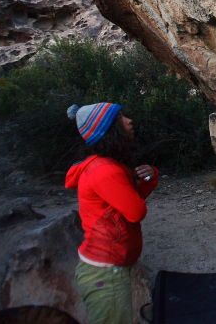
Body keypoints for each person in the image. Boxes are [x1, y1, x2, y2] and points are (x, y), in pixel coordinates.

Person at [64, 102, 158, 324]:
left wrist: (150, 177)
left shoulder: (106, 165)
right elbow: (135, 211)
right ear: (108, 131)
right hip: (105, 274)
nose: (129, 121)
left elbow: (127, 203)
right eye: (121, 119)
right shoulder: (105, 170)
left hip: (107, 268)